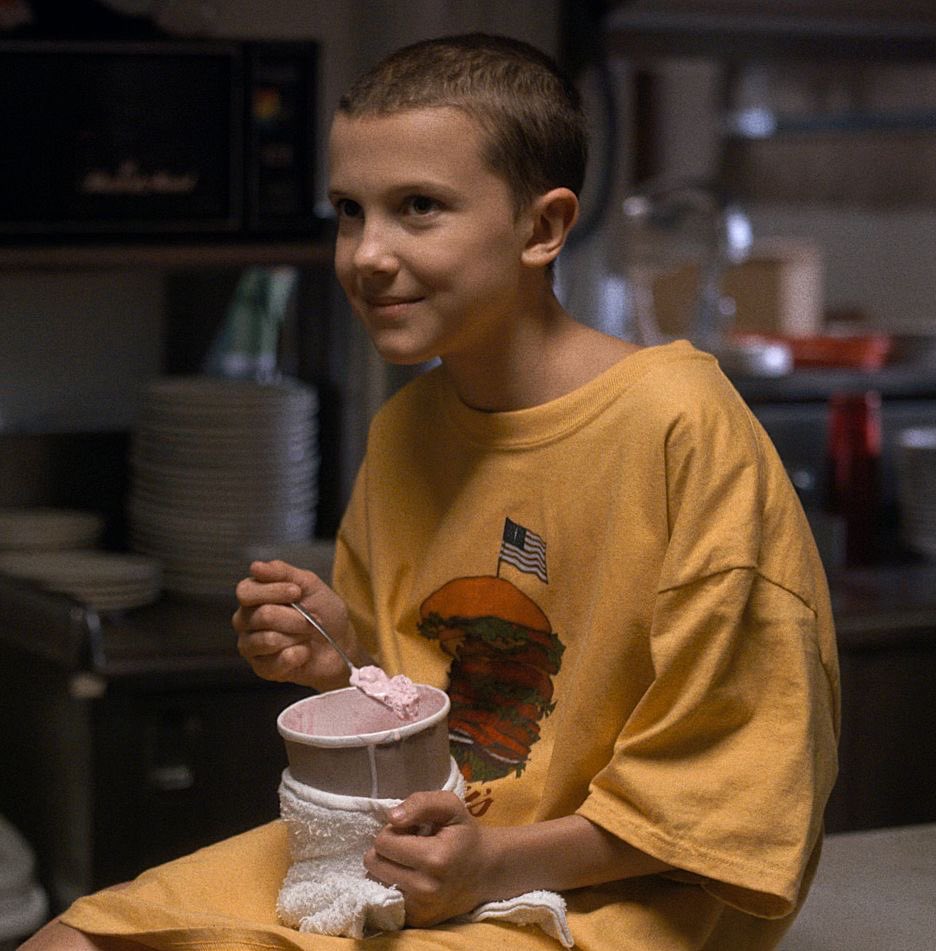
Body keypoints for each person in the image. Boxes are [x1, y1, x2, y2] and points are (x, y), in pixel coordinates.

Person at [23, 32, 839, 951]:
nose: (366, 254)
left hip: (624, 891)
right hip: (410, 857)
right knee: (74, 940)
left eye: (418, 207)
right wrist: (340, 663)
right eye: (349, 210)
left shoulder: (677, 425)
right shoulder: (406, 429)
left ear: (542, 228)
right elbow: (426, 704)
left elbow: (737, 778)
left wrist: (496, 862)